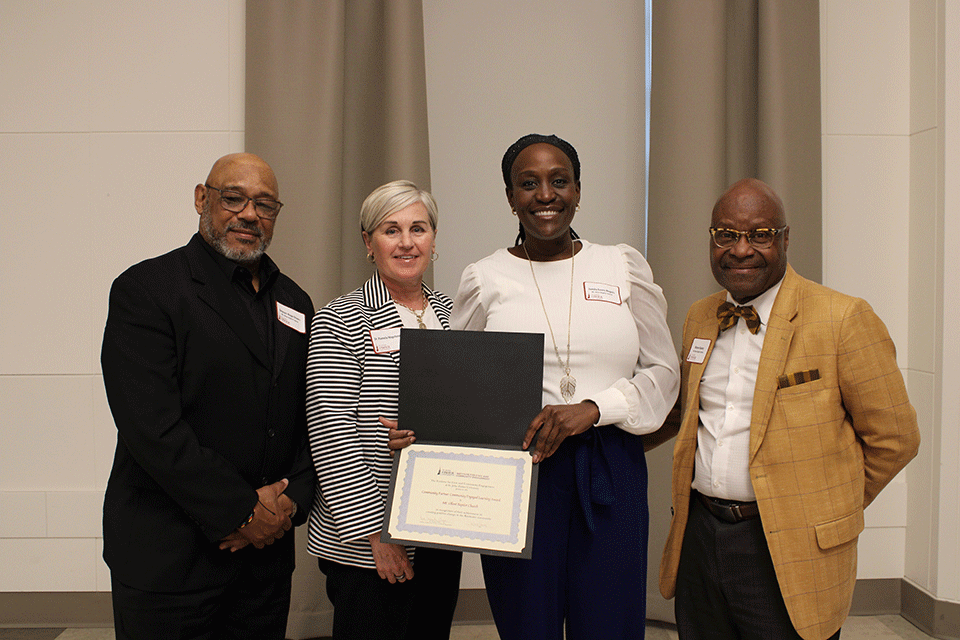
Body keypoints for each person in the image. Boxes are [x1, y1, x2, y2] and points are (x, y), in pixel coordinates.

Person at [659, 178, 921, 640]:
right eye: (726, 234)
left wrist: (822, 506)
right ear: (712, 239)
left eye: (759, 235)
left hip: (787, 548)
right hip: (700, 538)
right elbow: (690, 416)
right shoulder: (699, 316)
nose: (741, 249)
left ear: (784, 239)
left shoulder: (842, 318)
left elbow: (896, 437)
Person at [448, 134, 680, 640]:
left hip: (609, 467)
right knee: (527, 623)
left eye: (559, 181)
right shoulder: (485, 277)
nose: (545, 195)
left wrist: (595, 407)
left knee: (611, 623)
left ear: (578, 190)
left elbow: (664, 374)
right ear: (510, 197)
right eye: (528, 184)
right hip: (519, 471)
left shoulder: (621, 265)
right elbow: (457, 383)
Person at [100, 153, 315, 639]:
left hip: (264, 562)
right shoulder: (148, 289)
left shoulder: (295, 302)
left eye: (265, 205)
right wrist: (241, 510)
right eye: (233, 198)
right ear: (202, 198)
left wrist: (288, 504)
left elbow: (309, 414)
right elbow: (150, 426)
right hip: (170, 557)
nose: (249, 214)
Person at [306, 180, 462, 640]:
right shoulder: (340, 317)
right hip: (371, 536)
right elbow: (330, 434)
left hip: (441, 527)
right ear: (368, 243)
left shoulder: (455, 314)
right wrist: (377, 536)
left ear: (434, 239)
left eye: (419, 228)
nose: (407, 242)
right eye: (391, 230)